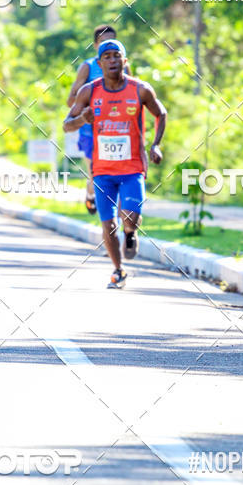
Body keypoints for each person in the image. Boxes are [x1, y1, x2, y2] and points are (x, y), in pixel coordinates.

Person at [64, 38, 166, 289]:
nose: (112, 60)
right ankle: (118, 270)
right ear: (99, 63)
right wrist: (82, 120)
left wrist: (155, 144)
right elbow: (67, 124)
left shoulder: (140, 89)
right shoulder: (89, 91)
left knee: (130, 217)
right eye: (106, 56)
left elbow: (160, 113)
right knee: (108, 224)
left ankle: (130, 232)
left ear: (125, 61)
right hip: (102, 171)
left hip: (132, 167)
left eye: (116, 55)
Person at [67, 25, 130, 215]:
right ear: (95, 45)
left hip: (117, 130)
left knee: (119, 173)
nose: (108, 48)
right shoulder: (87, 67)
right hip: (91, 131)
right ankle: (91, 195)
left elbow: (133, 93)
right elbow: (71, 100)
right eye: (103, 43)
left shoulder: (124, 66)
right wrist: (87, 108)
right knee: (95, 173)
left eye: (113, 43)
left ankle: (118, 217)